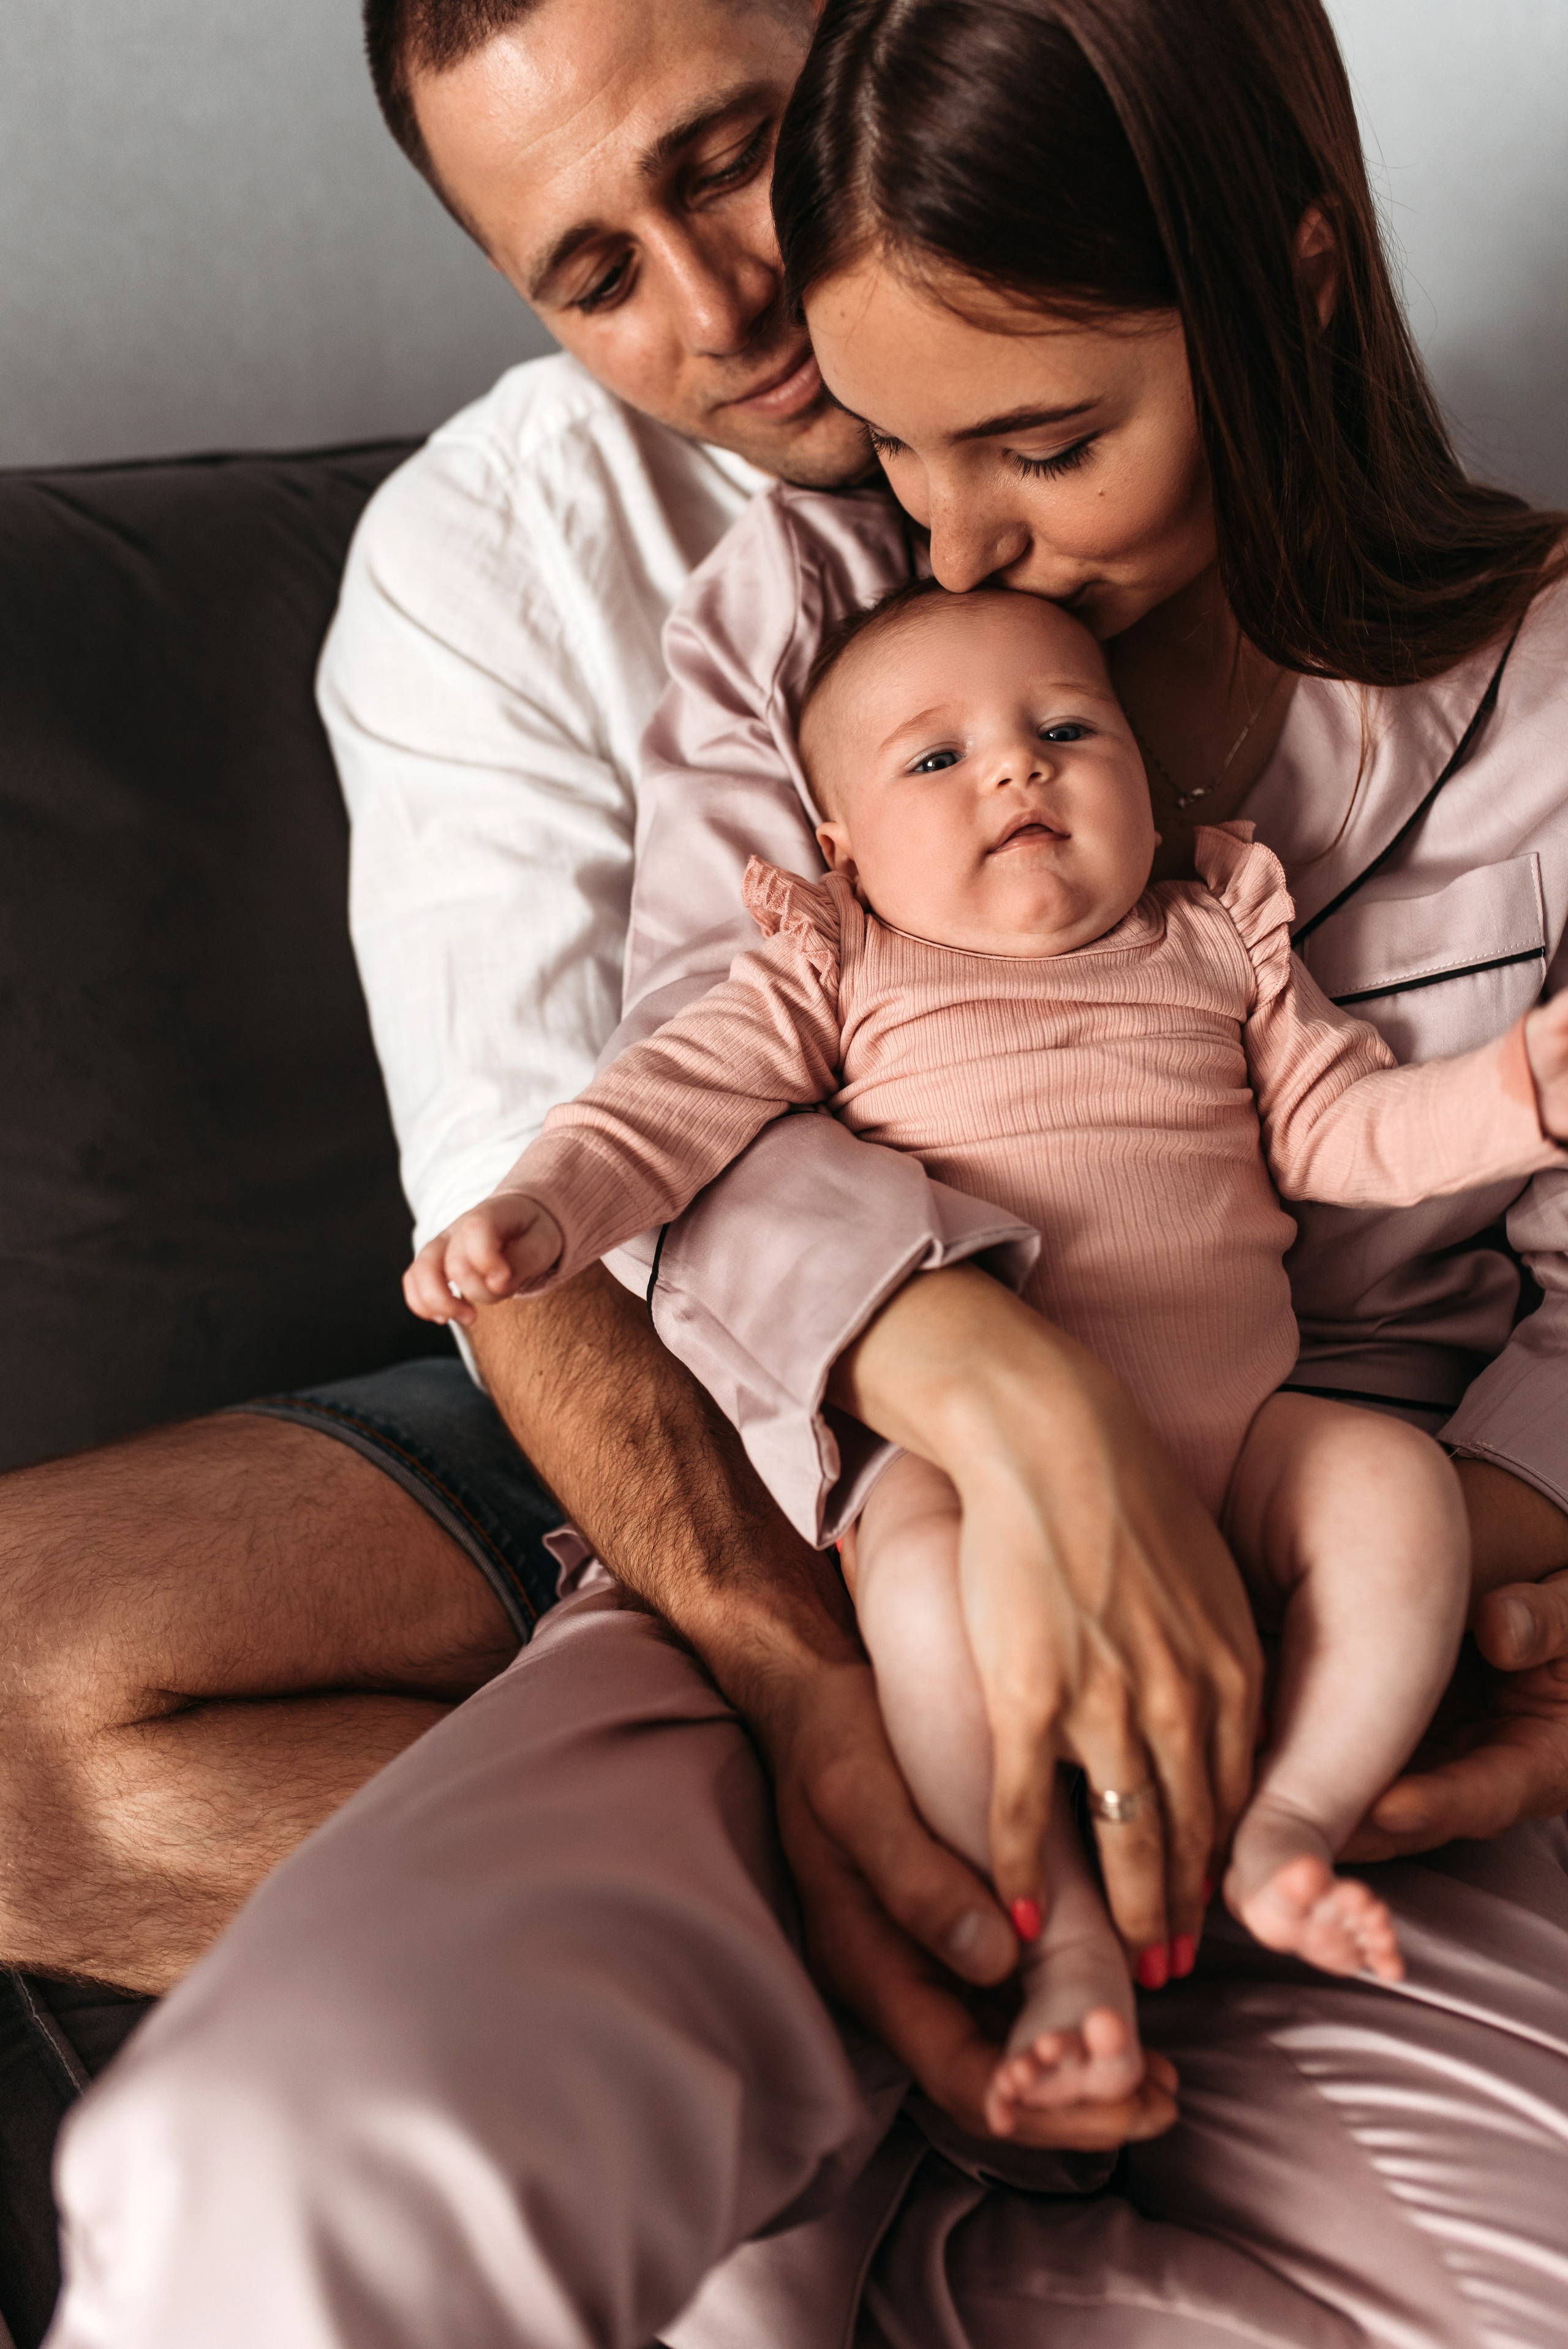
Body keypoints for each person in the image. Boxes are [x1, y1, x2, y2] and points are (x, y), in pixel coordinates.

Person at [32, 0, 1568, 2342]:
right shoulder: (745, 589)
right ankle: (869, 2028)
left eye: (731, 162)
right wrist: (936, 1493)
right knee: (264, 2100)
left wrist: (1479, 1551)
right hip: (777, 1420)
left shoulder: (1497, 677)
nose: (731, 317)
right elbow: (635, 1135)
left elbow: (1453, 1206)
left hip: (1343, 1490)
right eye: (590, 267)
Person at [405, 574, 1567, 2118]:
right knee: (922, 1602)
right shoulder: (837, 970)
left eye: (1066, 727)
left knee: (1393, 1490)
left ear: (1147, 792)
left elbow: (1347, 1127)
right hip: (960, 1463)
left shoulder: (1217, 943)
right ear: (841, 851)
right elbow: (665, 1112)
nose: (1016, 766)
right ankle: (1066, 1940)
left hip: (1245, 1437)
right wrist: (543, 1210)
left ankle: (1293, 1821)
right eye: (934, 760)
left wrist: (1508, 1095)